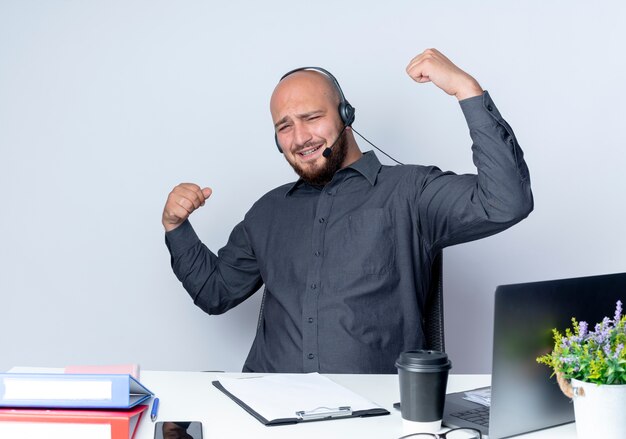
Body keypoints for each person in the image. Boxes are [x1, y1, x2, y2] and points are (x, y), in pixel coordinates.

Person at [162, 49, 533, 374]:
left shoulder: (410, 191)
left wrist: (466, 90)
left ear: (345, 114)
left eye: (311, 117)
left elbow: (505, 203)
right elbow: (215, 294)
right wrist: (176, 227)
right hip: (269, 408)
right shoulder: (267, 212)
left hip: (375, 416)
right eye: (284, 127)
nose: (300, 138)